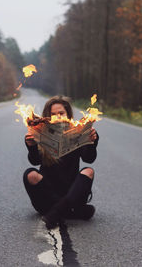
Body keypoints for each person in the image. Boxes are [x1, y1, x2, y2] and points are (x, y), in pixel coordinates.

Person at [23, 95, 99, 230]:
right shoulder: (41, 131)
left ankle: (57, 212)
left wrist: (93, 142)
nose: (57, 117)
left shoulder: (77, 131)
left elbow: (89, 159)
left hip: (71, 191)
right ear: (47, 116)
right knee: (29, 174)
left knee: (89, 171)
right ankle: (73, 211)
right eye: (53, 114)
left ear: (68, 114)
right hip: (48, 195)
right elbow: (34, 161)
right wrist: (31, 146)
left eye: (61, 113)